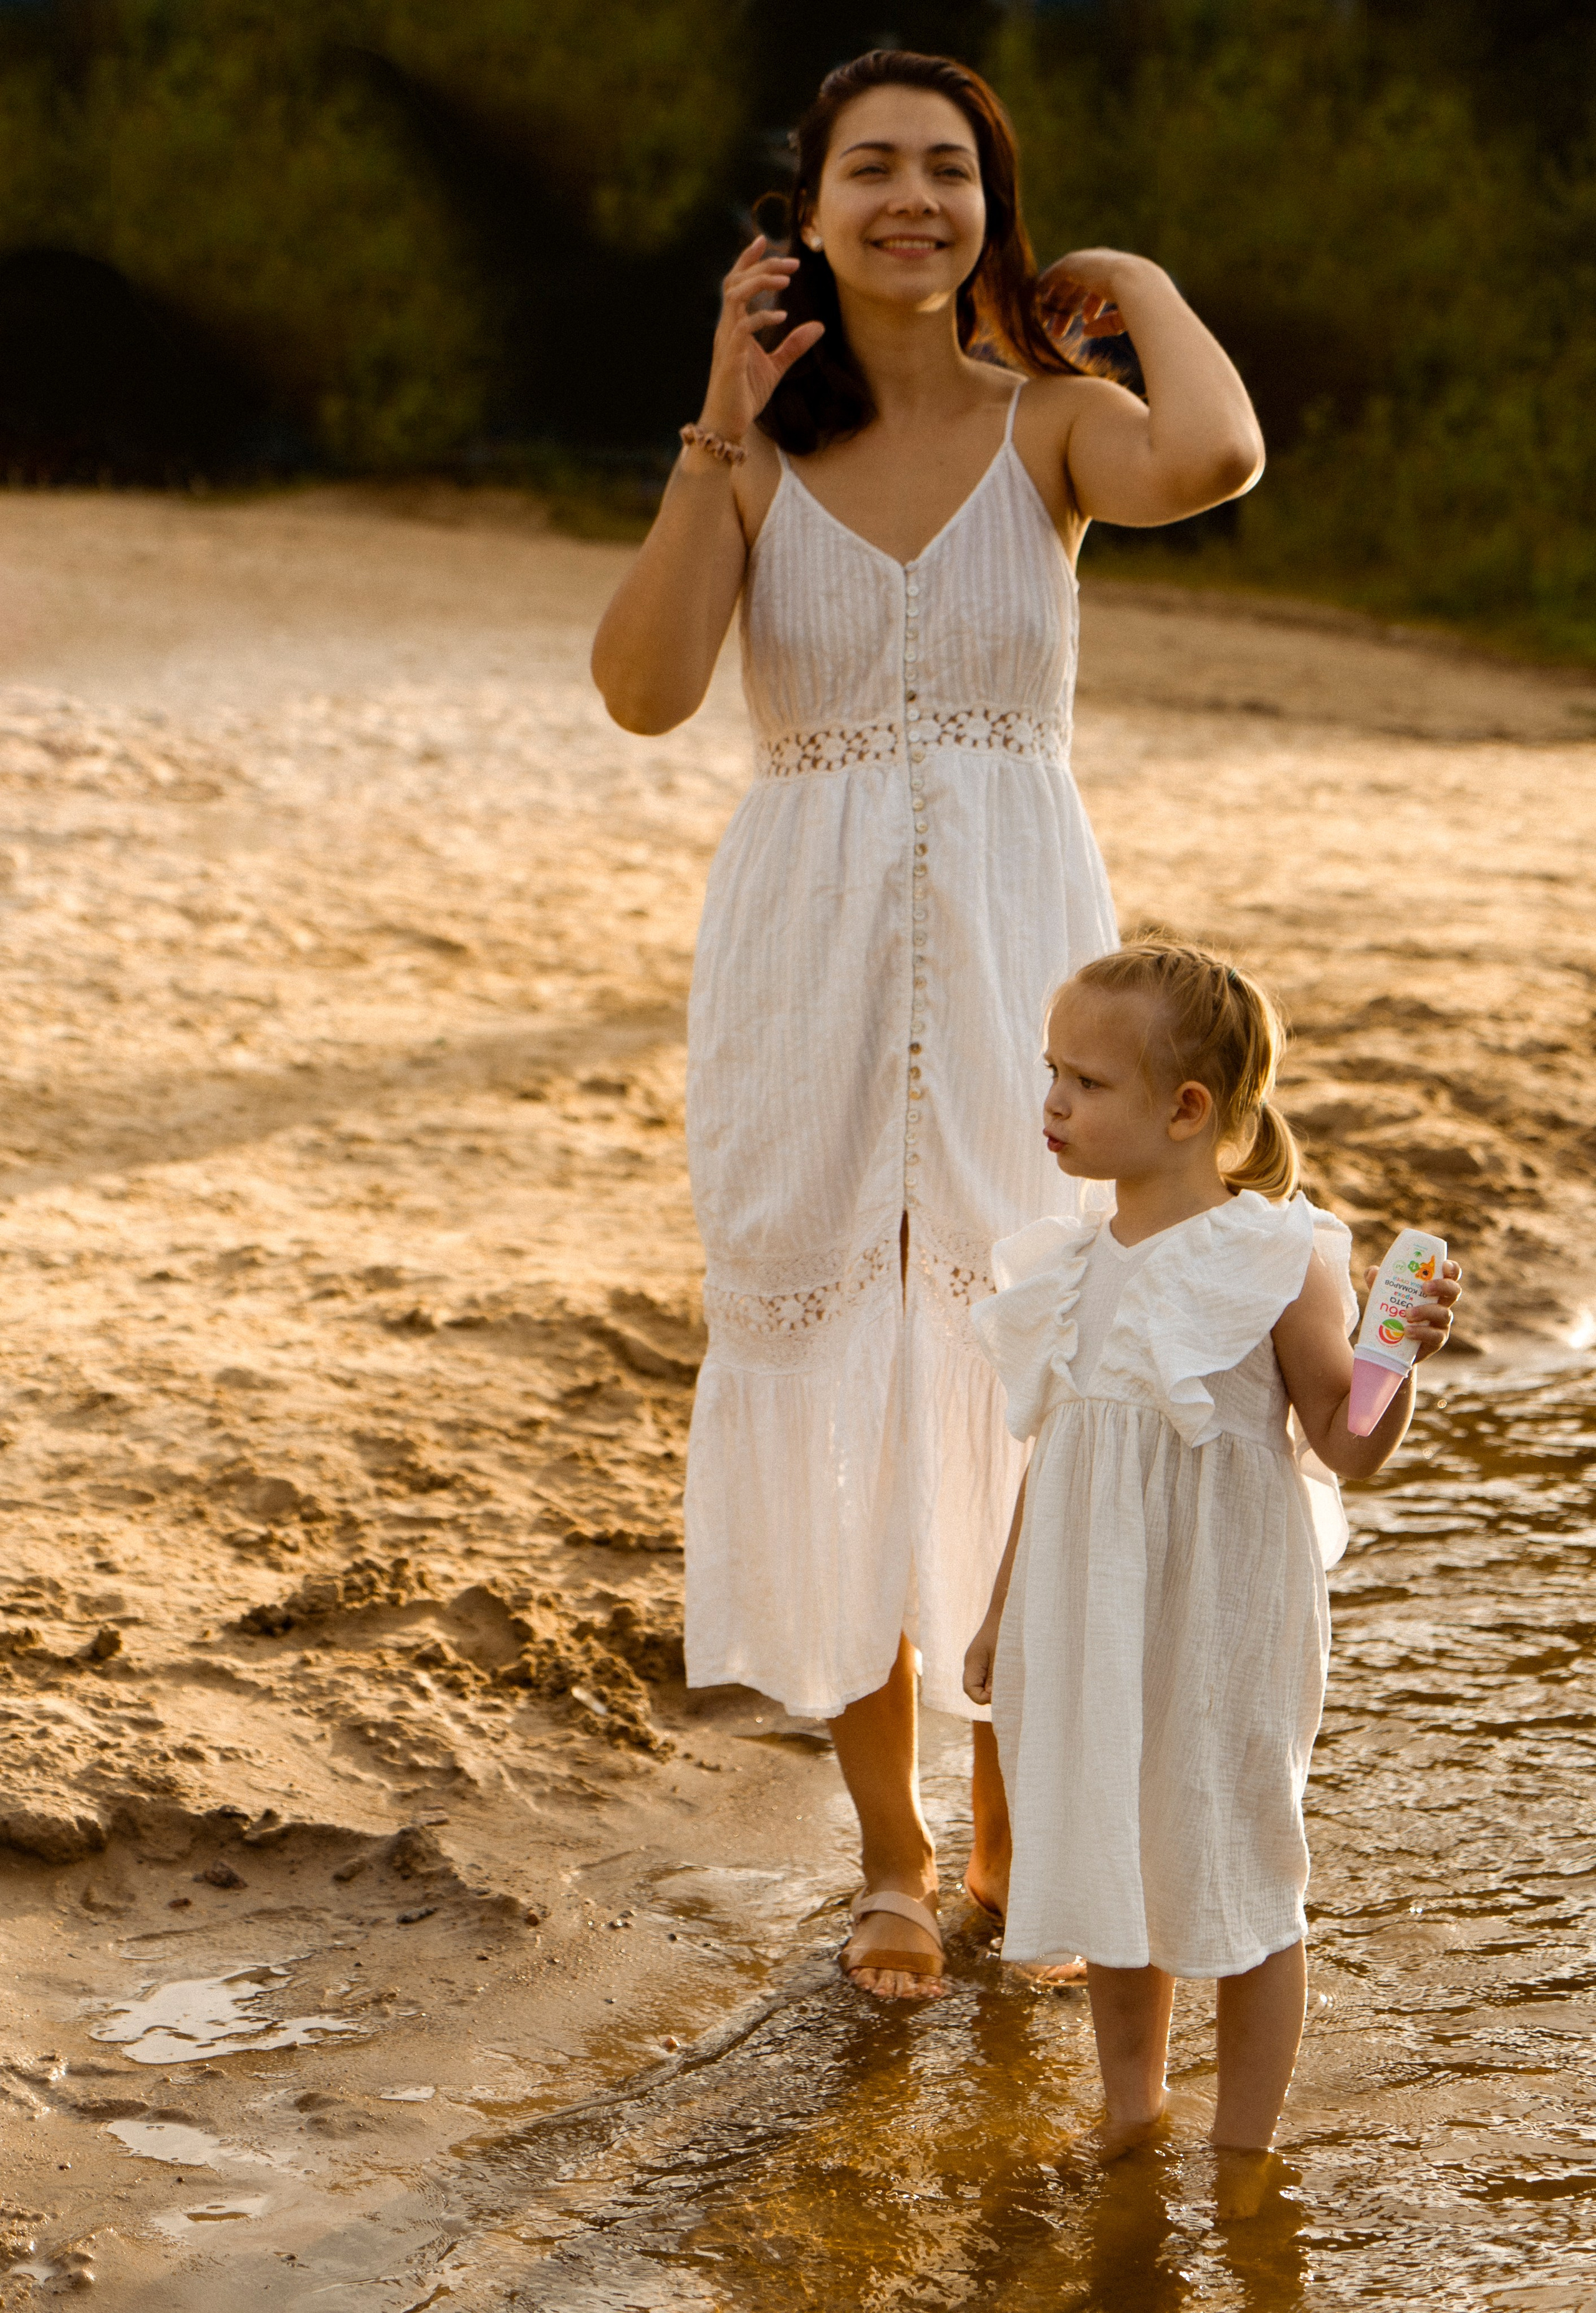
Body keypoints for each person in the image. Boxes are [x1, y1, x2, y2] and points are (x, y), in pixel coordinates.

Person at [591, 48, 1266, 2001]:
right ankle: (890, 1855)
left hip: (1019, 963)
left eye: (950, 172)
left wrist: (1128, 280)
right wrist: (717, 425)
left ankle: (1013, 1814)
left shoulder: (1058, 421)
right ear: (803, 215)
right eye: (871, 171)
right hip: (801, 966)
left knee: (1026, 1364)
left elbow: (1214, 457)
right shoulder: (753, 456)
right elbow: (645, 689)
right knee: (845, 1381)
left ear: (991, 204)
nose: (913, 200)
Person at [963, 942, 1464, 2158]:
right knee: (1107, 1848)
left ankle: (1244, 2154)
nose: (1052, 1104)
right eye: (1051, 1073)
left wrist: (1393, 1369)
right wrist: (997, 1610)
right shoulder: (1069, 1262)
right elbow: (1056, 1447)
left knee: (1235, 1859)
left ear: (1185, 1110)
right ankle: (1131, 2105)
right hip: (1090, 1615)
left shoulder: (1275, 1256)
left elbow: (1344, 1451)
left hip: (1222, 1620)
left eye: (1084, 1082)